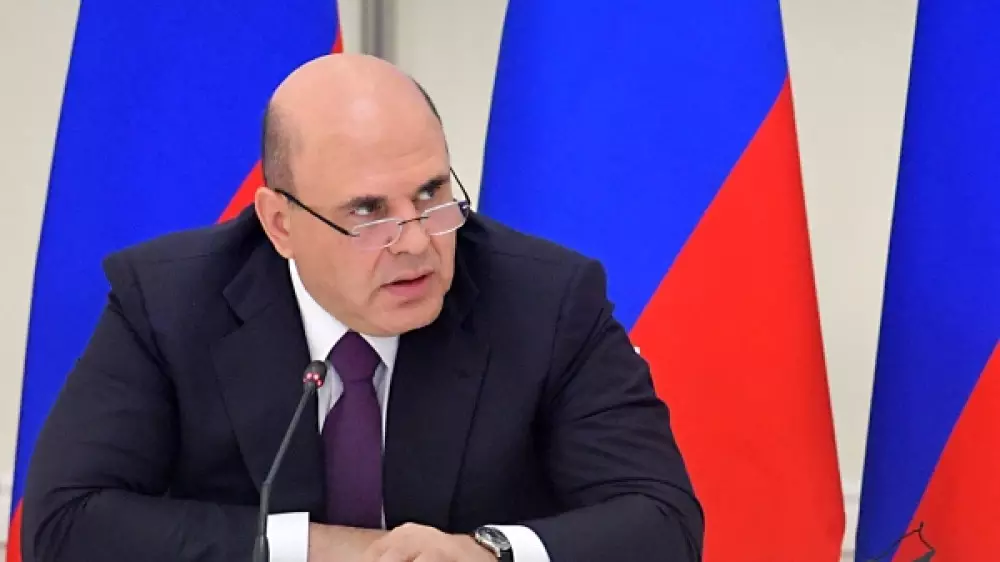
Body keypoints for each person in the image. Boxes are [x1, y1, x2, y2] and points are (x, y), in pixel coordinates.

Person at [20, 53, 704, 562]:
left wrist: (485, 554)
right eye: (369, 212)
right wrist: (321, 550)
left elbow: (661, 520)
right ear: (280, 224)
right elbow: (65, 523)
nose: (417, 243)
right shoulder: (169, 300)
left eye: (432, 194)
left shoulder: (546, 299)